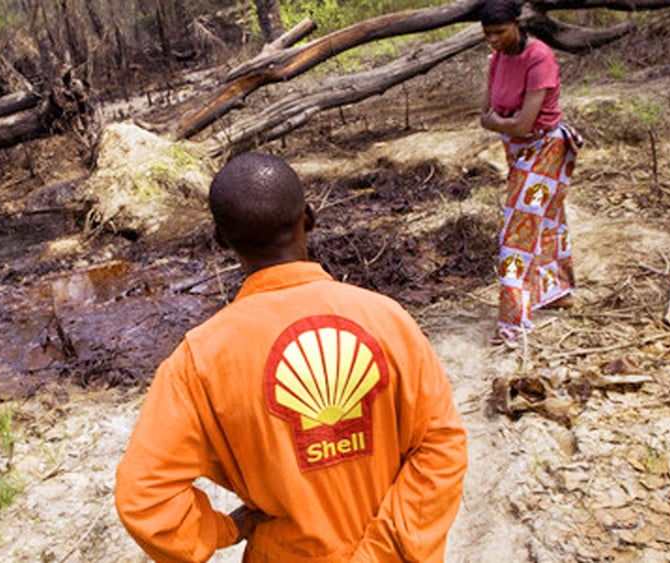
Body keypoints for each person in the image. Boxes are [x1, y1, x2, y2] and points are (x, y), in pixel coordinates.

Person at [114, 152, 468, 562]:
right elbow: (441, 445)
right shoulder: (387, 319)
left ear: (220, 240)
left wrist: (225, 529)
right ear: (310, 217)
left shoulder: (198, 361)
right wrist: (383, 550)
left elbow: (145, 500)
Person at [478, 0, 583, 345]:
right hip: (518, 151)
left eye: (499, 31)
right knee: (548, 218)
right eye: (487, 33)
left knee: (517, 230)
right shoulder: (497, 59)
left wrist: (503, 123)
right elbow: (486, 113)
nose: (493, 39)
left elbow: (523, 122)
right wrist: (507, 124)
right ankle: (557, 292)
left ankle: (513, 319)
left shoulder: (539, 57)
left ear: (517, 23)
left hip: (546, 147)